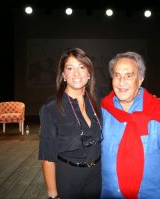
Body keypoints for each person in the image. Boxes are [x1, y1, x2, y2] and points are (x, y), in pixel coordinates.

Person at [101, 52, 160, 199]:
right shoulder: (103, 111)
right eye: (117, 75)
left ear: (140, 80)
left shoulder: (157, 113)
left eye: (129, 76)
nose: (121, 82)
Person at [38, 48, 102, 199]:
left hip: (96, 176)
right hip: (69, 179)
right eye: (70, 68)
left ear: (89, 73)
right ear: (63, 75)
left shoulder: (96, 98)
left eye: (81, 67)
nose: (77, 73)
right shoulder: (51, 108)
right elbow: (47, 157)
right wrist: (53, 194)